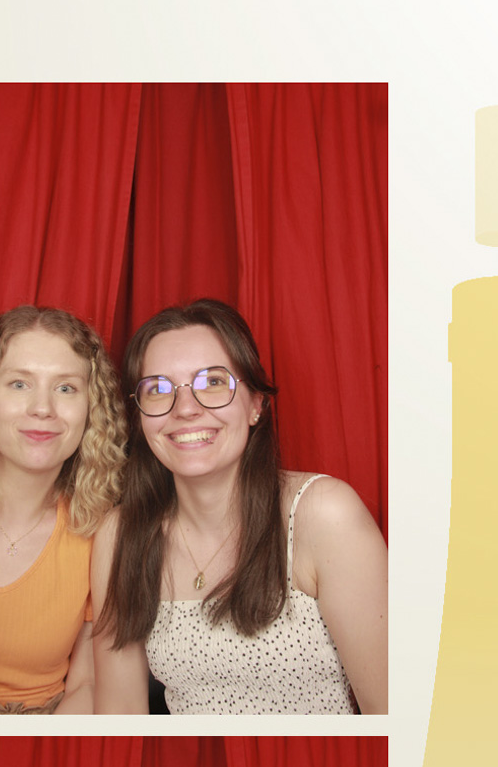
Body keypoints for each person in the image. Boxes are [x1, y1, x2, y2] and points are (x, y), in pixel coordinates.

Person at [93, 299, 388, 714]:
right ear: (140, 417)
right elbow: (119, 716)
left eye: (213, 382)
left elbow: (393, 717)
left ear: (255, 405)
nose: (186, 408)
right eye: (158, 389)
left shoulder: (323, 514)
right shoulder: (120, 535)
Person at [0, 306, 127, 713]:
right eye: (20, 384)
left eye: (66, 388)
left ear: (92, 408)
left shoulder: (100, 532)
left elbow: (87, 684)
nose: (43, 408)